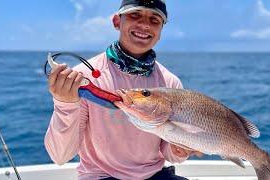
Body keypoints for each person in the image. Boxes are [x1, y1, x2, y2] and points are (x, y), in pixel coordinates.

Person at [44, 0, 202, 179]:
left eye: (154, 20)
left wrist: (180, 149)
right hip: (101, 176)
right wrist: (64, 103)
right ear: (117, 22)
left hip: (155, 175)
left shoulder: (170, 83)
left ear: (160, 32)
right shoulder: (83, 78)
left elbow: (168, 152)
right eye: (135, 15)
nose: (144, 25)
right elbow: (60, 156)